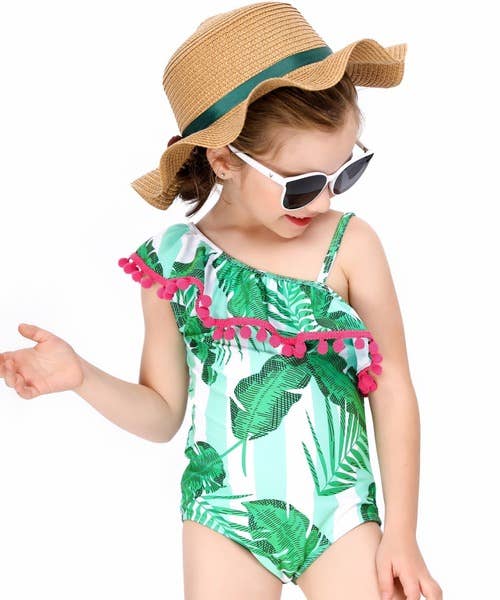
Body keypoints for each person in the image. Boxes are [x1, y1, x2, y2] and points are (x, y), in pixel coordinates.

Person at [0, 2, 443, 599]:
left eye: (343, 174)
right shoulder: (175, 263)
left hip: (340, 510)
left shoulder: (350, 245)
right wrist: (82, 376)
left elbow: (393, 389)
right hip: (222, 513)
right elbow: (163, 414)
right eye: (301, 185)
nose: (323, 201)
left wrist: (403, 535)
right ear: (225, 159)